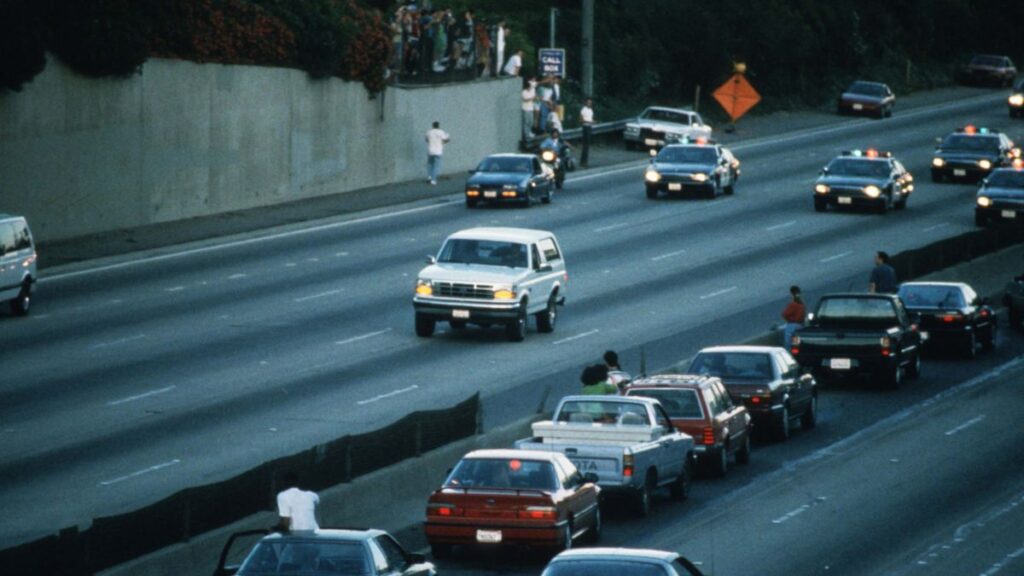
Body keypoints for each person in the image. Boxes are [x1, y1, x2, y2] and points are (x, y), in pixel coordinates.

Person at [425, 121, 450, 185]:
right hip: (438, 151)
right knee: (436, 166)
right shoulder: (441, 132)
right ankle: (433, 180)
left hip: (430, 151)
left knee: (430, 164)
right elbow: (446, 140)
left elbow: (426, 140)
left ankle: (429, 177)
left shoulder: (429, 132)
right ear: (438, 126)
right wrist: (447, 138)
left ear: (432, 126)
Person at [520, 78, 536, 144]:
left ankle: (529, 133)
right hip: (525, 109)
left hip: (531, 108)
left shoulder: (532, 89)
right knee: (526, 123)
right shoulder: (523, 92)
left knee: (531, 122)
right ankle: (526, 136)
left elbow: (534, 83)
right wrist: (532, 98)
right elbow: (525, 100)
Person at [579, 98, 594, 167]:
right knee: (585, 145)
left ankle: (585, 161)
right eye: (588, 102)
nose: (589, 104)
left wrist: (593, 121)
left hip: (590, 127)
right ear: (585, 103)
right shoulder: (583, 110)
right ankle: (583, 162)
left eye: (590, 103)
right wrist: (590, 122)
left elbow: (590, 118)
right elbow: (581, 120)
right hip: (585, 127)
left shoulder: (590, 110)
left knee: (587, 145)